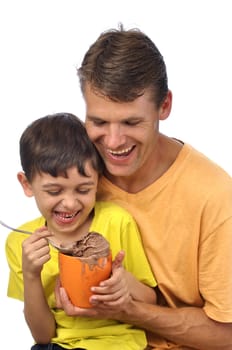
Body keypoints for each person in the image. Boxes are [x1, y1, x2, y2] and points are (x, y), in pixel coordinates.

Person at [56, 26, 232, 349]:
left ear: (164, 106)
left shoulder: (216, 196)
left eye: (130, 122)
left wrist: (129, 309)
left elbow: (227, 334)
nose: (113, 142)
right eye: (98, 122)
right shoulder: (79, 179)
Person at [5, 112, 157, 350]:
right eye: (54, 191)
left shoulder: (116, 222)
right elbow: (43, 335)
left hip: (118, 344)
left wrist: (122, 283)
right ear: (27, 184)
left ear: (98, 180)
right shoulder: (20, 243)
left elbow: (151, 298)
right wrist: (31, 275)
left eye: (83, 190)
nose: (70, 203)